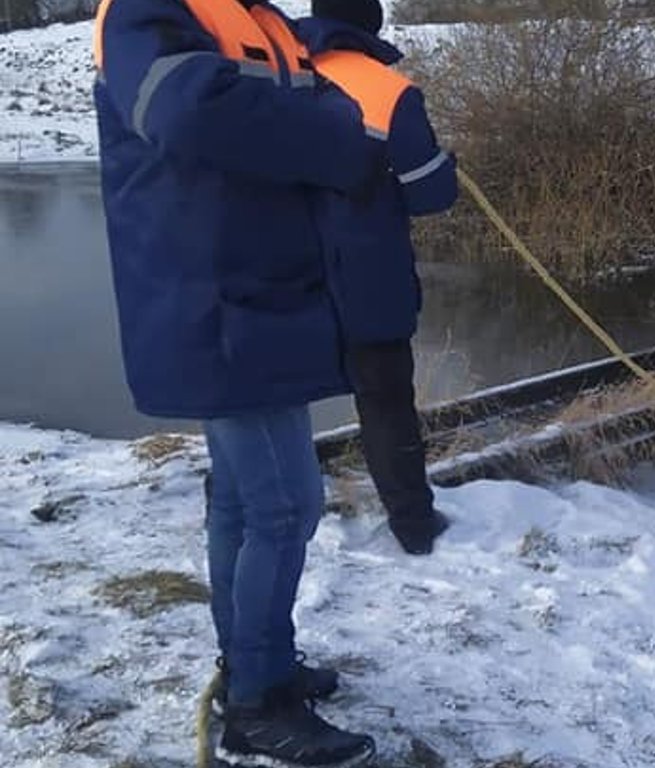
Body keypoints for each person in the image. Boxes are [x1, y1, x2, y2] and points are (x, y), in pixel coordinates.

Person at [93, 0, 383, 764]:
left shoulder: (260, 19)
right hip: (210, 299)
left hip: (264, 296)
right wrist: (340, 139)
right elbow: (187, 112)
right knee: (287, 506)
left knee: (245, 501)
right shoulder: (144, 11)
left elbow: (317, 84)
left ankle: (259, 665)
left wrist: (345, 32)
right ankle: (257, 705)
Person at [298, 0, 459, 556]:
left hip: (282, 270)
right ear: (372, 22)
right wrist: (447, 166)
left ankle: (240, 496)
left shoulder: (274, 73)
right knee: (386, 399)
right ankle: (412, 524)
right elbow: (430, 193)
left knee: (274, 393)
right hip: (366, 276)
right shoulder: (387, 90)